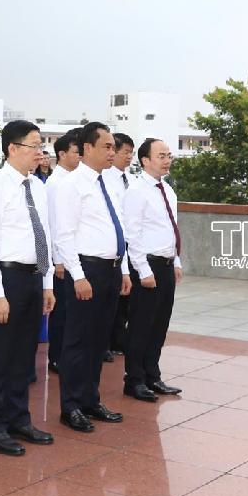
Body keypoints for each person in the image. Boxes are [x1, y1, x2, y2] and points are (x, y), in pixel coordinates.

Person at [0, 120, 57, 456]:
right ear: (12, 148)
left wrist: (47, 283)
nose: (40, 152)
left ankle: (19, 418)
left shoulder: (37, 186)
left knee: (25, 355)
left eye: (41, 146)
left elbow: (45, 236)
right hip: (5, 278)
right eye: (34, 145)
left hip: (33, 277)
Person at [53, 122, 131, 433]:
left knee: (99, 340)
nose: (112, 152)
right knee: (78, 340)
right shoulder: (71, 185)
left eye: (114, 147)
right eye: (107, 147)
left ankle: (90, 399)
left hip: (111, 269)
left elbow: (117, 227)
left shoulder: (107, 182)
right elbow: (64, 234)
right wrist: (78, 276)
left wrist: (123, 269)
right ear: (87, 148)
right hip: (87, 270)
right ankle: (71, 406)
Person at [122, 138, 185, 402]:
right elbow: (132, 234)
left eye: (169, 155)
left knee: (160, 323)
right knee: (141, 324)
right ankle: (134, 379)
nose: (167, 160)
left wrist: (176, 261)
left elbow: (172, 228)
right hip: (147, 266)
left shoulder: (168, 189)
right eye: (161, 156)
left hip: (166, 264)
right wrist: (143, 269)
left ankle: (152, 375)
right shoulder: (137, 190)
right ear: (145, 160)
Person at [44, 129, 82, 375]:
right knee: (61, 312)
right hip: (61, 258)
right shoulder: (55, 183)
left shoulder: (74, 180)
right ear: (62, 154)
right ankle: (56, 357)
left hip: (73, 255)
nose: (79, 156)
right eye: (76, 152)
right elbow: (54, 224)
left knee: (72, 312)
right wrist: (58, 260)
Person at [106, 133, 136, 361]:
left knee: (126, 296)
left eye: (131, 153)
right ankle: (105, 342)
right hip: (112, 243)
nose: (129, 157)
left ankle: (119, 339)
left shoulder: (132, 180)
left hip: (130, 243)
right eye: (125, 152)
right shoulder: (105, 179)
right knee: (110, 299)